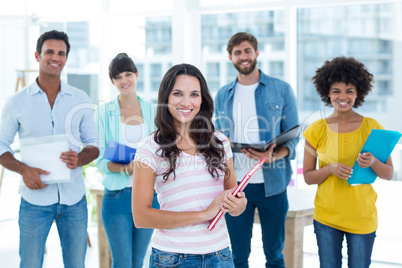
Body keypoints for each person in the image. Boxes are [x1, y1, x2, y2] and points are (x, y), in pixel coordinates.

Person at [132, 63, 247, 267]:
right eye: (178, 93)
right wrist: (203, 215)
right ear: (166, 97)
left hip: (220, 256)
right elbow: (141, 217)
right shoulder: (150, 147)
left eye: (194, 94)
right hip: (172, 258)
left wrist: (239, 204)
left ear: (202, 100)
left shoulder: (220, 142)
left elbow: (234, 202)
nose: (186, 102)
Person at [0, 30, 99, 267]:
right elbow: (2, 147)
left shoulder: (80, 98)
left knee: (76, 264)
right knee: (31, 264)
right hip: (34, 203)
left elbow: (94, 145)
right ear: (37, 55)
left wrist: (80, 159)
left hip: (74, 201)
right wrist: (24, 169)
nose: (56, 57)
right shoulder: (17, 102)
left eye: (61, 53)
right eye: (50, 52)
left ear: (66, 58)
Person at [214, 32, 300, 268]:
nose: (243, 56)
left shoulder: (281, 89)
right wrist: (223, 141)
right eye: (238, 52)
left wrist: (275, 154)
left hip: (273, 185)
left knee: (274, 255)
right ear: (230, 57)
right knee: (238, 256)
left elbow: (294, 135)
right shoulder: (223, 94)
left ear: (257, 53)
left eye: (247, 51)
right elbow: (217, 137)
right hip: (236, 186)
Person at [303, 56, 394, 268]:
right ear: (327, 92)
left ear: (358, 93)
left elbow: (389, 174)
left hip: (362, 218)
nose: (342, 96)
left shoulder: (373, 127)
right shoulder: (315, 130)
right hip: (326, 218)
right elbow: (308, 177)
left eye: (349, 91)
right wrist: (330, 169)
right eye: (336, 91)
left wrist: (373, 162)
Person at [95, 53, 159, 267]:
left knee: (138, 260)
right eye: (118, 77)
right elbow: (100, 160)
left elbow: (162, 153)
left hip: (149, 197)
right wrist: (125, 168)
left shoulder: (152, 110)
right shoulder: (104, 112)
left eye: (128, 74)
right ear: (113, 81)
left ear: (136, 75)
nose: (124, 81)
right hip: (117, 197)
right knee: (122, 263)